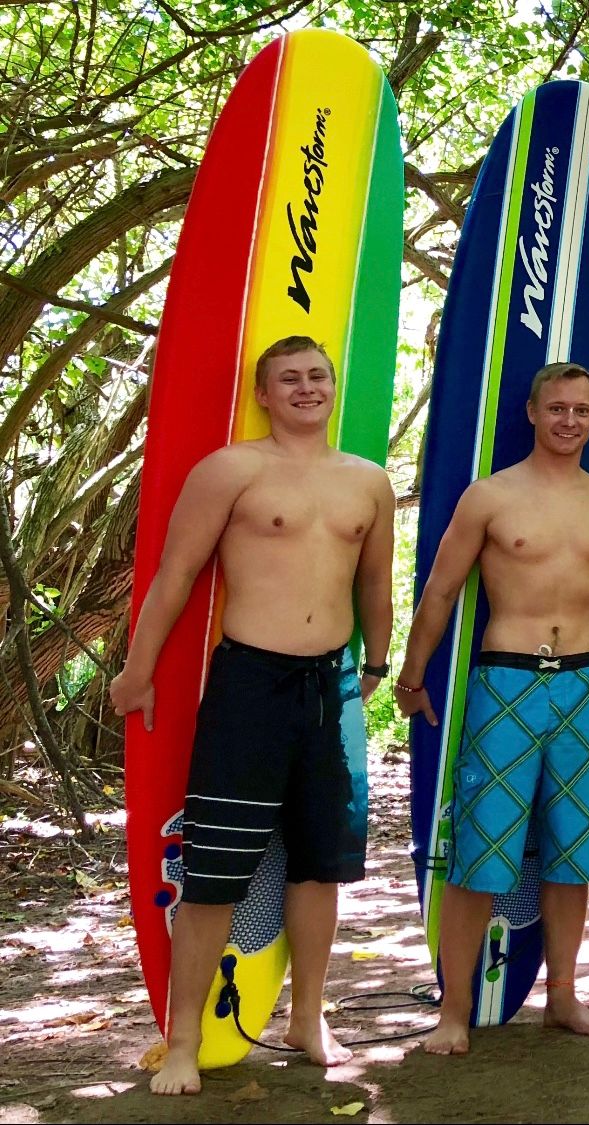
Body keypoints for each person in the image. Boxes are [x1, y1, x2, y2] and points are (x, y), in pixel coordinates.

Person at [110, 335, 394, 1095]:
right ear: (263, 393)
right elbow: (176, 573)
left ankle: (307, 1015)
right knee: (214, 873)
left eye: (318, 376)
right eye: (289, 379)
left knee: (319, 866)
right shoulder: (232, 469)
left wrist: (375, 663)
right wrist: (137, 672)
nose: (307, 388)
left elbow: (375, 584)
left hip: (331, 688)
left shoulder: (369, 482)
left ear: (333, 386)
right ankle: (182, 1040)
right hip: (249, 685)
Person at [395, 361, 589, 1055]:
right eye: (556, 408)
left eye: (582, 411)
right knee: (482, 848)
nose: (569, 421)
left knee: (572, 848)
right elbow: (440, 591)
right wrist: (412, 675)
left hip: (582, 684)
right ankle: (455, 1008)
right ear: (532, 412)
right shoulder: (490, 497)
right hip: (505, 681)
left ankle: (562, 996)